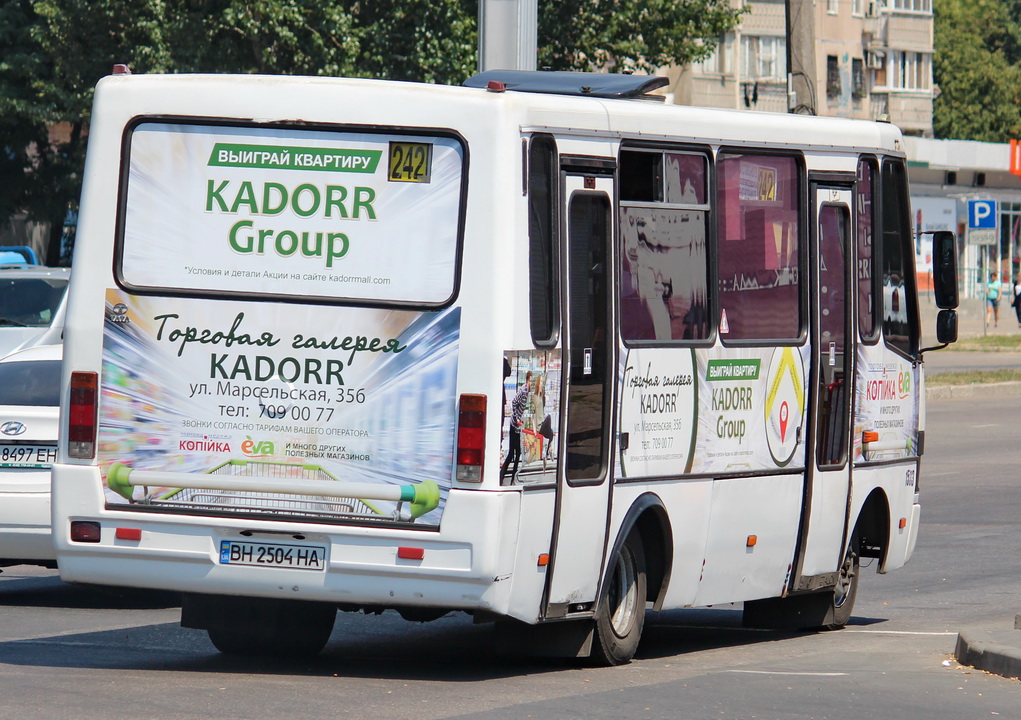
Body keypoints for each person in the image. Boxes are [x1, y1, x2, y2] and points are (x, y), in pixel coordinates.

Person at [501, 370, 531, 483]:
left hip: (517, 426)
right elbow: (514, 402)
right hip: (514, 425)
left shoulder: (527, 392)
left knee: (517, 453)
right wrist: (517, 417)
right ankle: (503, 476)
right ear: (528, 380)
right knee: (512, 453)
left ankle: (512, 478)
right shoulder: (523, 391)